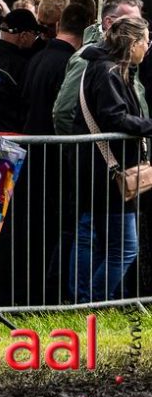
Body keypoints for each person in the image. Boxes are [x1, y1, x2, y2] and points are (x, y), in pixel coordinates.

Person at [11, 2, 94, 305]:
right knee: (59, 230)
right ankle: (53, 292)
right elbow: (62, 112)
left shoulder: (38, 57)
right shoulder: (70, 62)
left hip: (34, 156)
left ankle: (38, 290)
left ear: (59, 25)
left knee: (40, 230)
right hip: (56, 159)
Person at [70, 17, 152, 303]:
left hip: (99, 166)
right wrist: (148, 126)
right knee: (125, 247)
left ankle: (83, 299)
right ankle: (96, 299)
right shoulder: (107, 71)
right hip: (108, 168)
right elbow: (114, 117)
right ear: (132, 43)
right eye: (146, 41)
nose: (147, 47)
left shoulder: (102, 66)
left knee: (90, 237)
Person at [53, 0, 145, 135]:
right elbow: (64, 112)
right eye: (131, 22)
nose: (139, 28)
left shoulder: (125, 56)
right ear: (109, 22)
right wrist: (82, 146)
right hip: (99, 148)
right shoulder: (88, 58)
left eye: (139, 22)